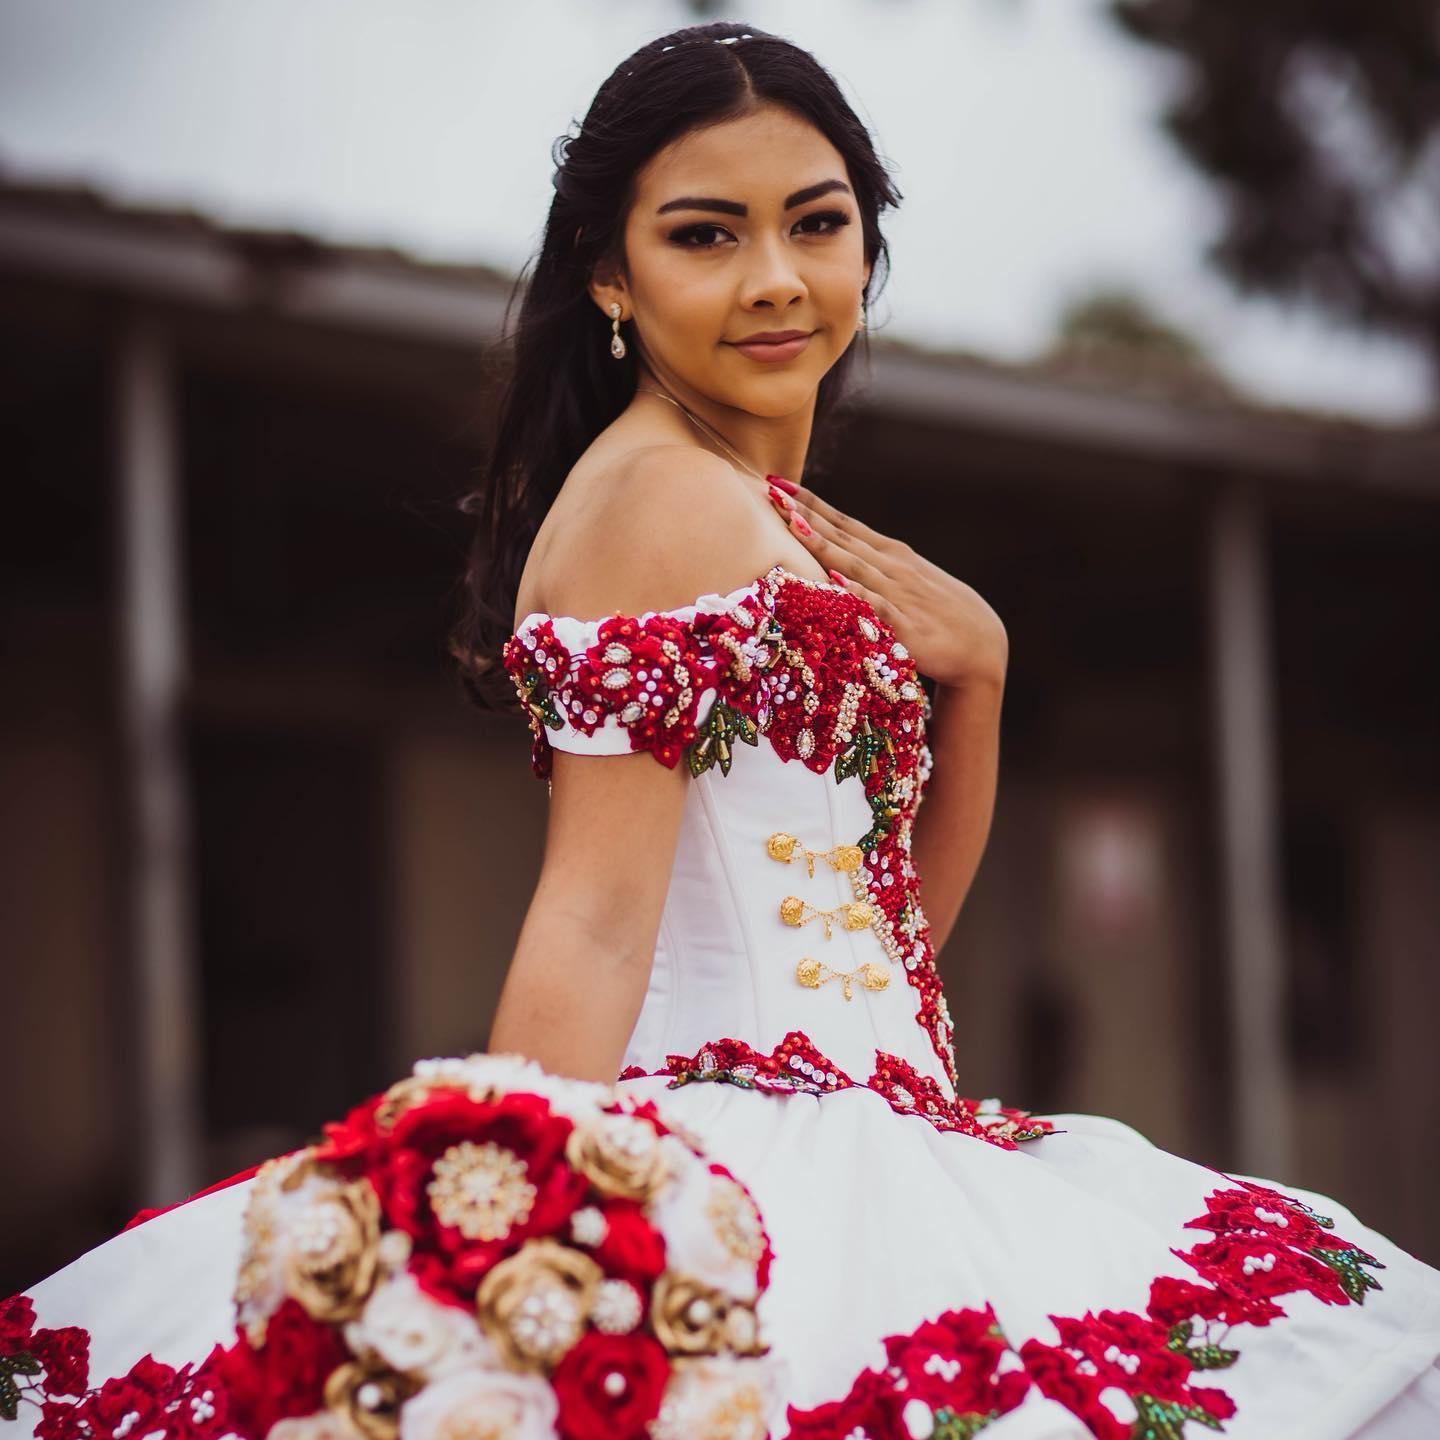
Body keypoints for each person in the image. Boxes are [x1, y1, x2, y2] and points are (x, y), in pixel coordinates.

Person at [9, 20, 1440, 1440]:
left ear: (865, 251)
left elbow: (887, 956)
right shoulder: (659, 502)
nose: (775, 281)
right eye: (706, 236)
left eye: (817, 225)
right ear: (607, 273)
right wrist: (504, 1244)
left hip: (880, 1129)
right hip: (743, 1163)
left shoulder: (750, 509)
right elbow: (595, 915)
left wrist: (980, 680)